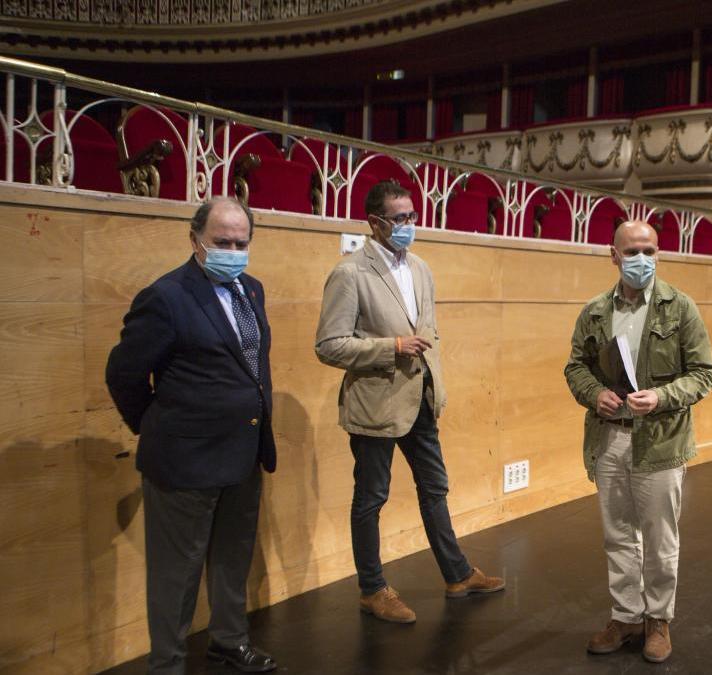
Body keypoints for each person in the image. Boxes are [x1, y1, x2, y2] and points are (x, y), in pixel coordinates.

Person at [314, 180, 504, 624]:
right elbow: (328, 345)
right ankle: (372, 588)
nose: (408, 225)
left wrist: (436, 386)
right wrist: (390, 346)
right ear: (374, 222)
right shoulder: (349, 273)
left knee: (435, 487)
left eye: (411, 216)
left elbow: (430, 333)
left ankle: (457, 574)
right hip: (375, 406)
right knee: (372, 498)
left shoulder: (421, 268)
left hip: (419, 400)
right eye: (399, 218)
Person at [106, 197, 278, 674]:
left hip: (243, 455)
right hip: (183, 464)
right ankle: (168, 664)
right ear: (195, 240)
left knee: (231, 558)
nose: (233, 250)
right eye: (222, 242)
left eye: (242, 243)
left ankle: (229, 640)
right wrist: (160, 427)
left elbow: (252, 366)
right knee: (175, 575)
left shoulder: (253, 289)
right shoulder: (165, 297)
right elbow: (123, 374)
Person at [564, 220, 712, 663]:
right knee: (618, 536)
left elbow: (704, 373)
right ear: (613, 255)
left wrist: (663, 396)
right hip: (610, 439)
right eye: (632, 252)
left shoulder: (679, 307)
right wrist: (596, 395)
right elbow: (576, 368)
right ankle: (626, 616)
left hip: (661, 443)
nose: (641, 260)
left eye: (649, 250)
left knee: (660, 538)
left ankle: (658, 620)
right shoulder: (595, 311)